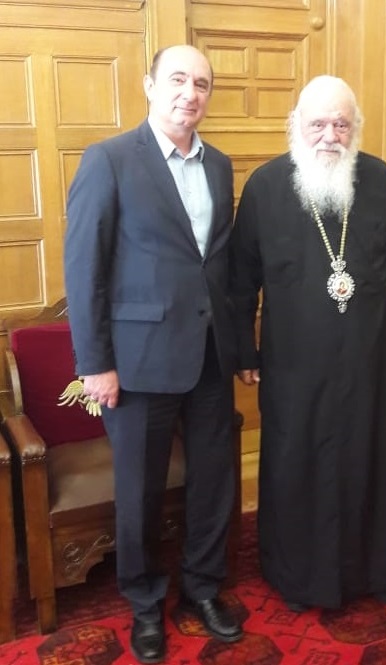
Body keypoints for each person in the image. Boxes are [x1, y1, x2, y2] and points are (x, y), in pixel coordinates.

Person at [64, 45, 243, 664]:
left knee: (214, 482)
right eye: (177, 79)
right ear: (149, 84)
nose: (190, 93)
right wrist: (95, 364)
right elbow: (84, 268)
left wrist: (240, 346)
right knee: (139, 491)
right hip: (137, 364)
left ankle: (202, 588)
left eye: (202, 84)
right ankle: (144, 604)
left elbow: (218, 267)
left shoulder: (220, 166)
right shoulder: (110, 159)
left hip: (210, 357)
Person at [230, 75, 386, 613]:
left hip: (369, 357)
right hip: (295, 362)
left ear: (355, 127)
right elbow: (241, 278)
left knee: (372, 458)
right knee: (299, 462)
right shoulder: (266, 186)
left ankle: (378, 570)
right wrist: (244, 350)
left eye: (341, 124)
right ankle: (299, 577)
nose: (330, 135)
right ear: (296, 125)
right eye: (318, 124)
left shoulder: (380, 180)